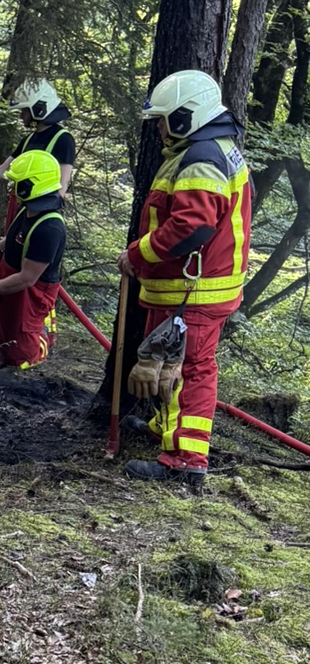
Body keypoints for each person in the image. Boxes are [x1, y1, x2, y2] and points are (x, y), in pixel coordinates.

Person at [121, 69, 250, 493]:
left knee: (187, 369)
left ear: (185, 116)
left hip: (193, 291)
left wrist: (137, 254)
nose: (159, 128)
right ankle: (168, 431)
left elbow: (191, 228)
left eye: (164, 119)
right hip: (185, 288)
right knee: (167, 364)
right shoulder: (207, 151)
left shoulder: (202, 157)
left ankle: (184, 461)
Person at [0, 148, 67, 369]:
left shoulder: (50, 228)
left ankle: (42, 336)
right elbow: (17, 234)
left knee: (18, 358)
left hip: (29, 292)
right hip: (7, 273)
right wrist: (0, 244)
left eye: (17, 183)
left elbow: (26, 279)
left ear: (32, 186)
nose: (12, 188)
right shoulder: (28, 208)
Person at [0, 78, 77, 226]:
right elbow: (0, 171)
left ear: (38, 109)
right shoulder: (28, 140)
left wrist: (36, 218)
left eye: (24, 111)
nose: (21, 116)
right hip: (21, 207)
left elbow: (61, 185)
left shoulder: (63, 139)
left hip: (41, 214)